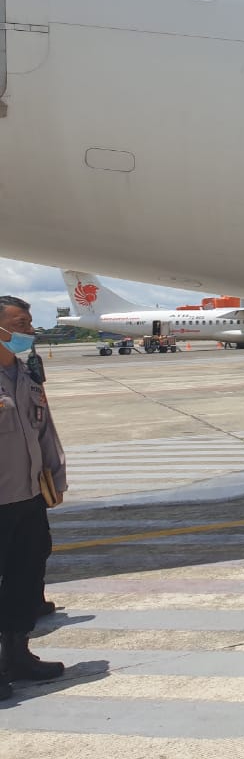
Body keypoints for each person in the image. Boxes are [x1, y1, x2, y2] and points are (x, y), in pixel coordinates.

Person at [0, 295, 67, 699]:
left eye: (28, 323)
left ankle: (18, 653)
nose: (28, 331)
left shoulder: (25, 376)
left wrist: (55, 477)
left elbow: (44, 431)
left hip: (28, 497)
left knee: (28, 576)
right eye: (20, 323)